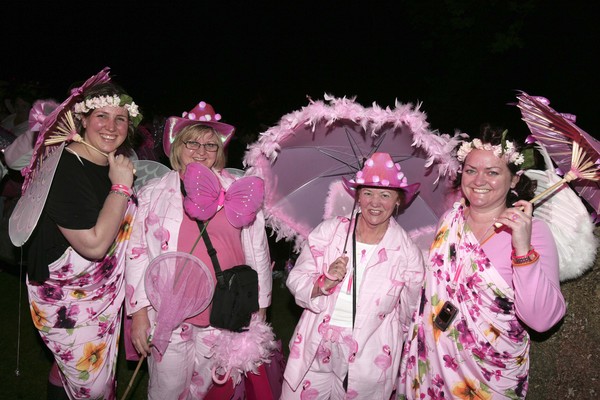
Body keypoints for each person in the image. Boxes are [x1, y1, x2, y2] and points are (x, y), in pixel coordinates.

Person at [399, 125, 566, 399]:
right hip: (433, 366)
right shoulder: (449, 221)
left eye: (493, 172)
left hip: (491, 376)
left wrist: (522, 249)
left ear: (514, 180)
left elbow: (542, 320)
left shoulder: (534, 231)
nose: (479, 180)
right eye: (471, 170)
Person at [126, 100, 273, 399]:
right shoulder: (153, 193)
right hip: (169, 311)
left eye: (210, 145)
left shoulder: (237, 189)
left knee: (210, 391)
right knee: (166, 390)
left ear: (220, 152)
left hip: (223, 311)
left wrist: (259, 311)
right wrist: (139, 313)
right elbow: (137, 252)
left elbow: (258, 251)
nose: (201, 151)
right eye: (192, 142)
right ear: (177, 147)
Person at [24, 80, 140, 399]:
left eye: (120, 118)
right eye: (101, 115)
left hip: (104, 296)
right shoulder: (63, 167)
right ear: (84, 120)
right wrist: (120, 188)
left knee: (81, 372)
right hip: (66, 298)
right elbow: (94, 245)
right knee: (95, 385)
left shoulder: (115, 166)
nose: (110, 126)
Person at [281, 152, 426, 399]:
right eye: (368, 193)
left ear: (398, 201)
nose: (375, 202)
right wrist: (322, 283)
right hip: (317, 345)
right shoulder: (330, 231)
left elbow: (410, 313)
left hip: (368, 357)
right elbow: (296, 278)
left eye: (385, 195)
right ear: (357, 196)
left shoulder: (407, 254)